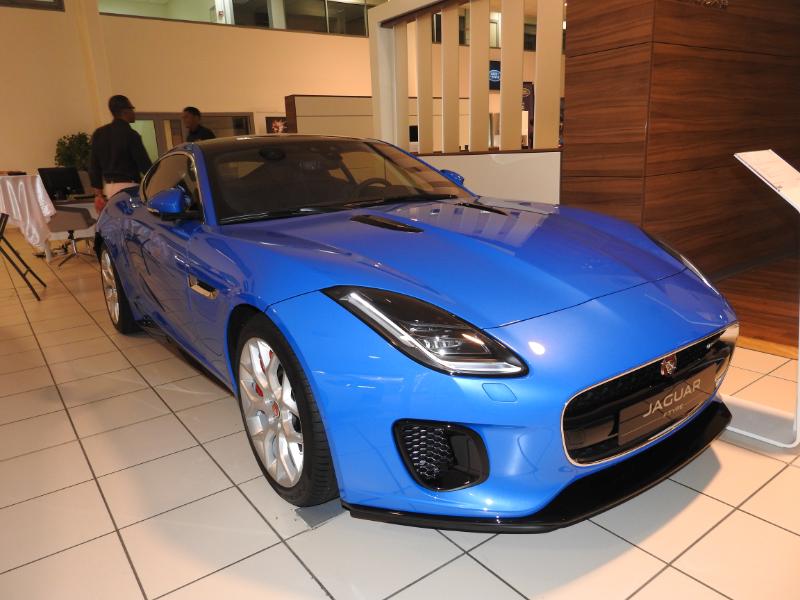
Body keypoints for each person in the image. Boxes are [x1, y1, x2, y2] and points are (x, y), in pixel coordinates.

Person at [89, 95, 152, 213]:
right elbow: (144, 165)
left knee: (114, 221)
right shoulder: (131, 134)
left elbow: (94, 166)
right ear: (125, 111)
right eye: (132, 109)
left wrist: (98, 194)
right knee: (132, 221)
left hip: (108, 188)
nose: (133, 112)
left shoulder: (99, 133)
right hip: (129, 187)